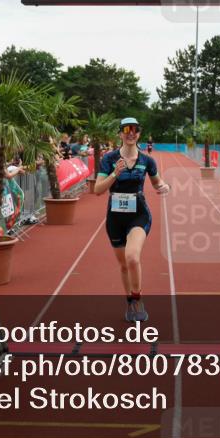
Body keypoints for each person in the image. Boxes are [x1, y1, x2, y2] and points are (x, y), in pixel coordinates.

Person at [93, 117, 170, 322]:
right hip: (115, 218)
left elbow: (157, 183)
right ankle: (129, 301)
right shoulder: (109, 159)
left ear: (139, 134)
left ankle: (137, 299)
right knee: (124, 265)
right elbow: (97, 190)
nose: (131, 133)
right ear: (120, 133)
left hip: (139, 214)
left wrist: (164, 187)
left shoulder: (147, 161)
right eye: (127, 129)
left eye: (135, 129)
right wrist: (114, 174)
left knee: (132, 257)